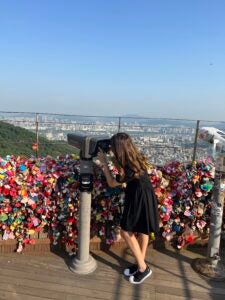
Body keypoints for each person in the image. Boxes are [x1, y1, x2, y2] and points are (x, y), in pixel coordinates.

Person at [97, 132, 159, 285]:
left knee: (126, 231)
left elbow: (112, 183)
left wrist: (104, 163)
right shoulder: (134, 159)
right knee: (143, 229)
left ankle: (144, 269)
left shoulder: (130, 168)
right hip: (144, 194)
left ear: (119, 149)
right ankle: (140, 264)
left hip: (139, 197)